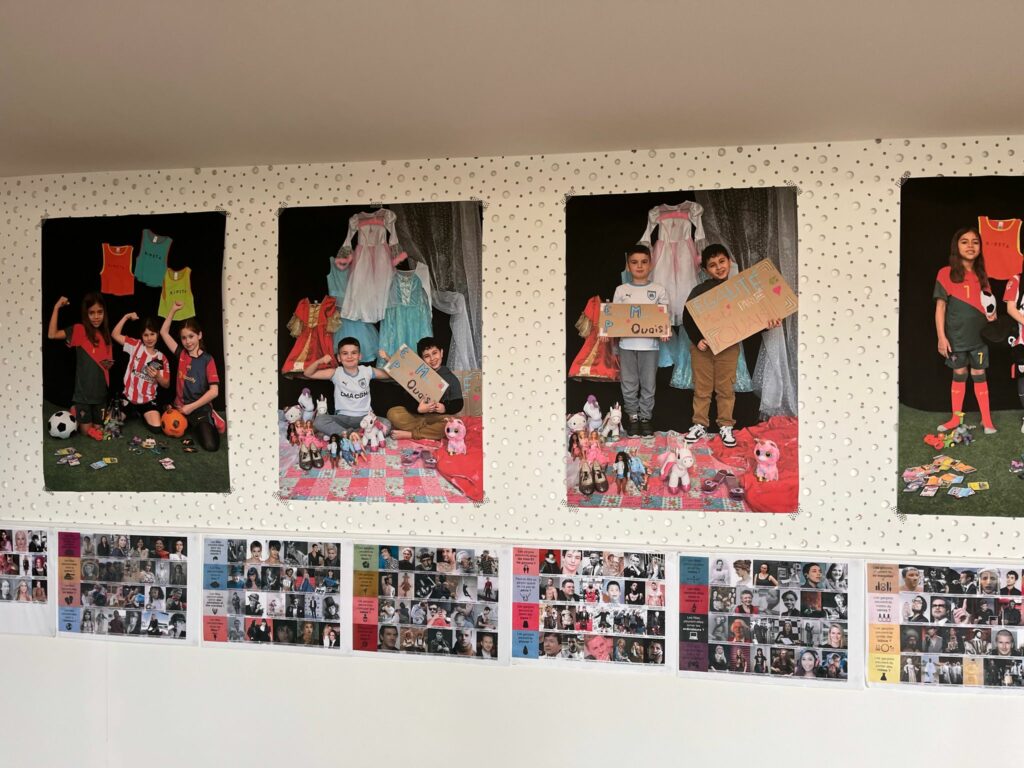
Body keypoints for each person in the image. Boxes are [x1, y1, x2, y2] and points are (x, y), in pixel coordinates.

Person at [683, 245, 781, 447]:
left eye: (722, 261)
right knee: (702, 389)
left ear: (729, 262)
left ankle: (726, 425)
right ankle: (699, 424)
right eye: (712, 265)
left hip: (728, 347)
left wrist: (768, 324)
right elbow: (687, 317)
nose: (719, 267)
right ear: (705, 270)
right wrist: (697, 339)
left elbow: (749, 319)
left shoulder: (739, 291)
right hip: (703, 348)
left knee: (726, 389)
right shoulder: (699, 291)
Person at [934, 227, 997, 434]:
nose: (970, 246)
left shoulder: (982, 274)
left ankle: (986, 420)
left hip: (980, 338)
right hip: (956, 339)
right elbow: (940, 307)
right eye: (964, 241)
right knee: (959, 373)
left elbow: (989, 304)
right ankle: (955, 418)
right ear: (956, 246)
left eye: (975, 242)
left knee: (979, 373)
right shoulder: (945, 273)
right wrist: (941, 337)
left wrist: (992, 316)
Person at [613, 244, 669, 437]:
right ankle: (633, 417)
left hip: (650, 346)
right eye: (634, 262)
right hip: (626, 345)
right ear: (628, 266)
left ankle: (645, 418)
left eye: (644, 262)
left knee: (648, 384)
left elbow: (664, 316)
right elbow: (614, 317)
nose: (639, 266)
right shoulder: (621, 290)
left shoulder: (658, 290)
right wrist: (607, 330)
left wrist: (664, 330)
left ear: (650, 265)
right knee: (629, 383)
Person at [47, 293, 113, 441]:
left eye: (100, 312)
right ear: (86, 314)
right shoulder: (79, 330)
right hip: (83, 395)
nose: (96, 317)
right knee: (85, 431)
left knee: (99, 430)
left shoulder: (106, 335)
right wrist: (56, 307)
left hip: (100, 395)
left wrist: (104, 362)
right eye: (92, 313)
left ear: (104, 313)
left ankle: (84, 411)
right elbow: (52, 334)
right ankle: (75, 409)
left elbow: (107, 365)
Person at [160, 301, 223, 450]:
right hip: (180, 407)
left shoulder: (208, 360)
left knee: (211, 446)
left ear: (199, 335)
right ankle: (182, 417)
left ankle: (211, 417)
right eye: (184, 338)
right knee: (163, 427)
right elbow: (163, 332)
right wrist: (173, 310)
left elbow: (214, 392)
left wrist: (191, 407)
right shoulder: (181, 353)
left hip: (198, 408)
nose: (188, 342)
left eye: (191, 336)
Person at [304, 337, 391, 438]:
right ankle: (354, 435)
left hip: (365, 418)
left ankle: (351, 434)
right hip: (342, 418)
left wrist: (387, 358)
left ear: (360, 356)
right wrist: (320, 361)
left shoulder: (367, 371)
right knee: (319, 421)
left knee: (386, 424)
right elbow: (308, 373)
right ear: (339, 358)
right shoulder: (336, 372)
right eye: (345, 353)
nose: (349, 356)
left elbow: (390, 375)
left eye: (354, 353)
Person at [386, 337, 465, 440]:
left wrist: (445, 408)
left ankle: (411, 434)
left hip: (438, 418)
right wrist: (418, 409)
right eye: (427, 356)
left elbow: (459, 403)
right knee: (393, 413)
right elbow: (408, 398)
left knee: (454, 425)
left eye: (434, 353)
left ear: (441, 352)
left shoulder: (451, 378)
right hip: (418, 418)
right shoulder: (417, 374)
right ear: (422, 359)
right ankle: (426, 431)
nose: (432, 359)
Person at [111, 312, 170, 432]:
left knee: (156, 428)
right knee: (112, 426)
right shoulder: (136, 345)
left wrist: (158, 376)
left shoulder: (161, 358)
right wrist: (126, 317)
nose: (149, 338)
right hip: (128, 397)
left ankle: (141, 413)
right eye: (146, 335)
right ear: (142, 336)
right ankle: (129, 410)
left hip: (147, 400)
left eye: (152, 334)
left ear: (157, 334)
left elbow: (166, 384)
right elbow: (114, 335)